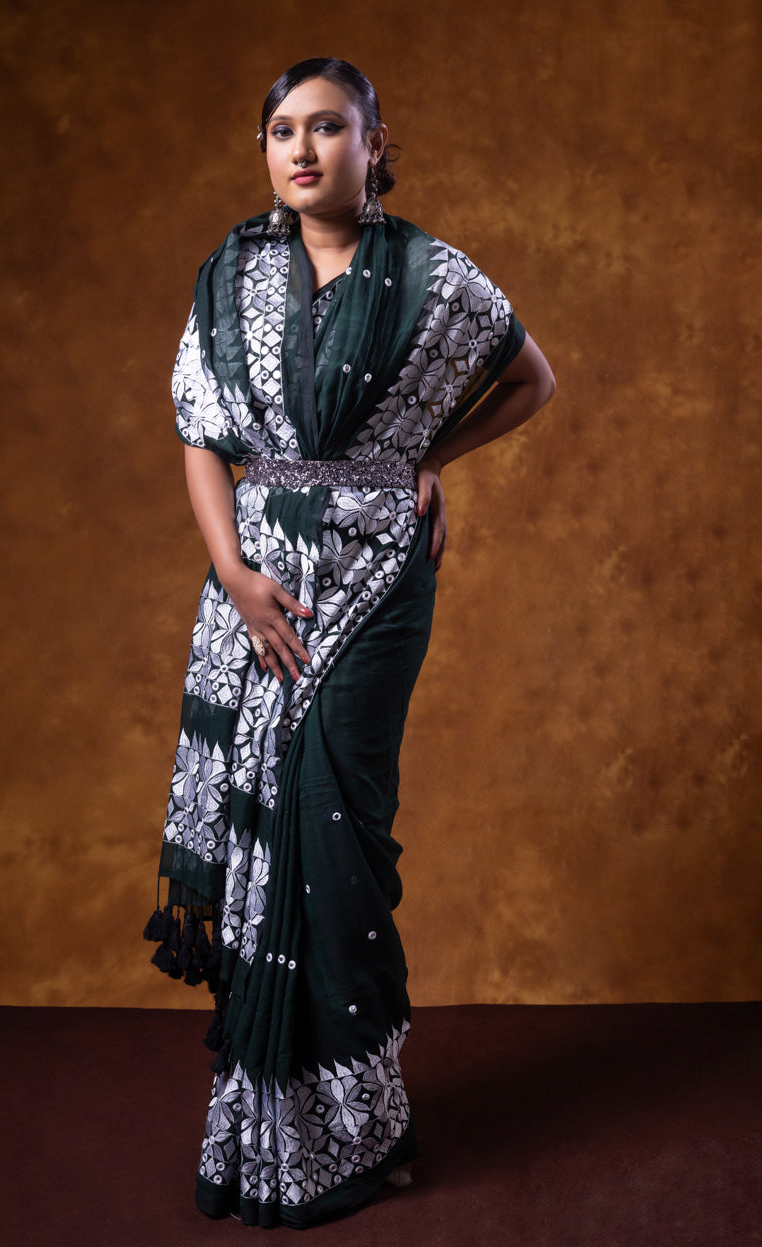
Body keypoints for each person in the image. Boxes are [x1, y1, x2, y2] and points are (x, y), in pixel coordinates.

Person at [144, 56, 555, 1229]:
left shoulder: (434, 277)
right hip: (256, 579)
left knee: (335, 824)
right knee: (268, 820)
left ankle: (359, 1122)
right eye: (283, 129)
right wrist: (233, 572)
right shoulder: (229, 275)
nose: (304, 149)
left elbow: (532, 378)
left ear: (377, 144)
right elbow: (198, 437)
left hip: (377, 582)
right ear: (266, 149)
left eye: (330, 127)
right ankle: (268, 1128)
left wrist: (434, 455)